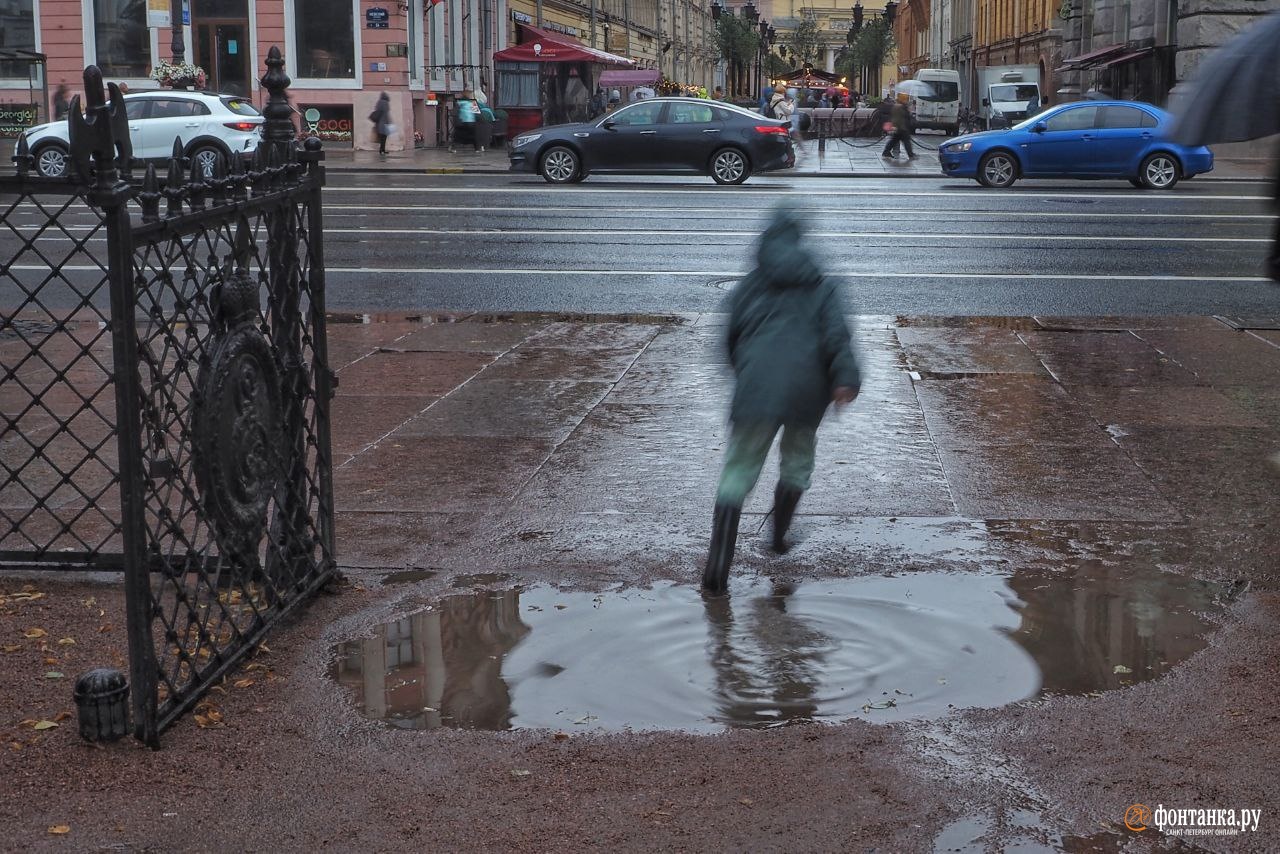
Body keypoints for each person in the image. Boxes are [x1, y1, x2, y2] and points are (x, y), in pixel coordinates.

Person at [703, 202, 861, 594]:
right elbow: (837, 338)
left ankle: (717, 571)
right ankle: (777, 540)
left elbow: (728, 340)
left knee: (738, 474)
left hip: (756, 390)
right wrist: (845, 379)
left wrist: (747, 377)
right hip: (807, 393)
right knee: (796, 463)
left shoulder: (749, 285)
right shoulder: (823, 284)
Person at [882, 92, 915, 160]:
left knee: (893, 141)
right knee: (906, 141)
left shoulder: (898, 106)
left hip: (899, 127)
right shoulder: (900, 107)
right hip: (901, 127)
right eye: (906, 99)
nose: (907, 100)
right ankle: (911, 155)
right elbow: (901, 117)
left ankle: (886, 152)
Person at [369, 91, 393, 156]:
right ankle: (382, 150)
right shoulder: (386, 103)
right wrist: (389, 121)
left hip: (379, 123)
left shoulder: (379, 102)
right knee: (383, 138)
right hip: (384, 123)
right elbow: (386, 113)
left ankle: (382, 150)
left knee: (382, 138)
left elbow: (377, 110)